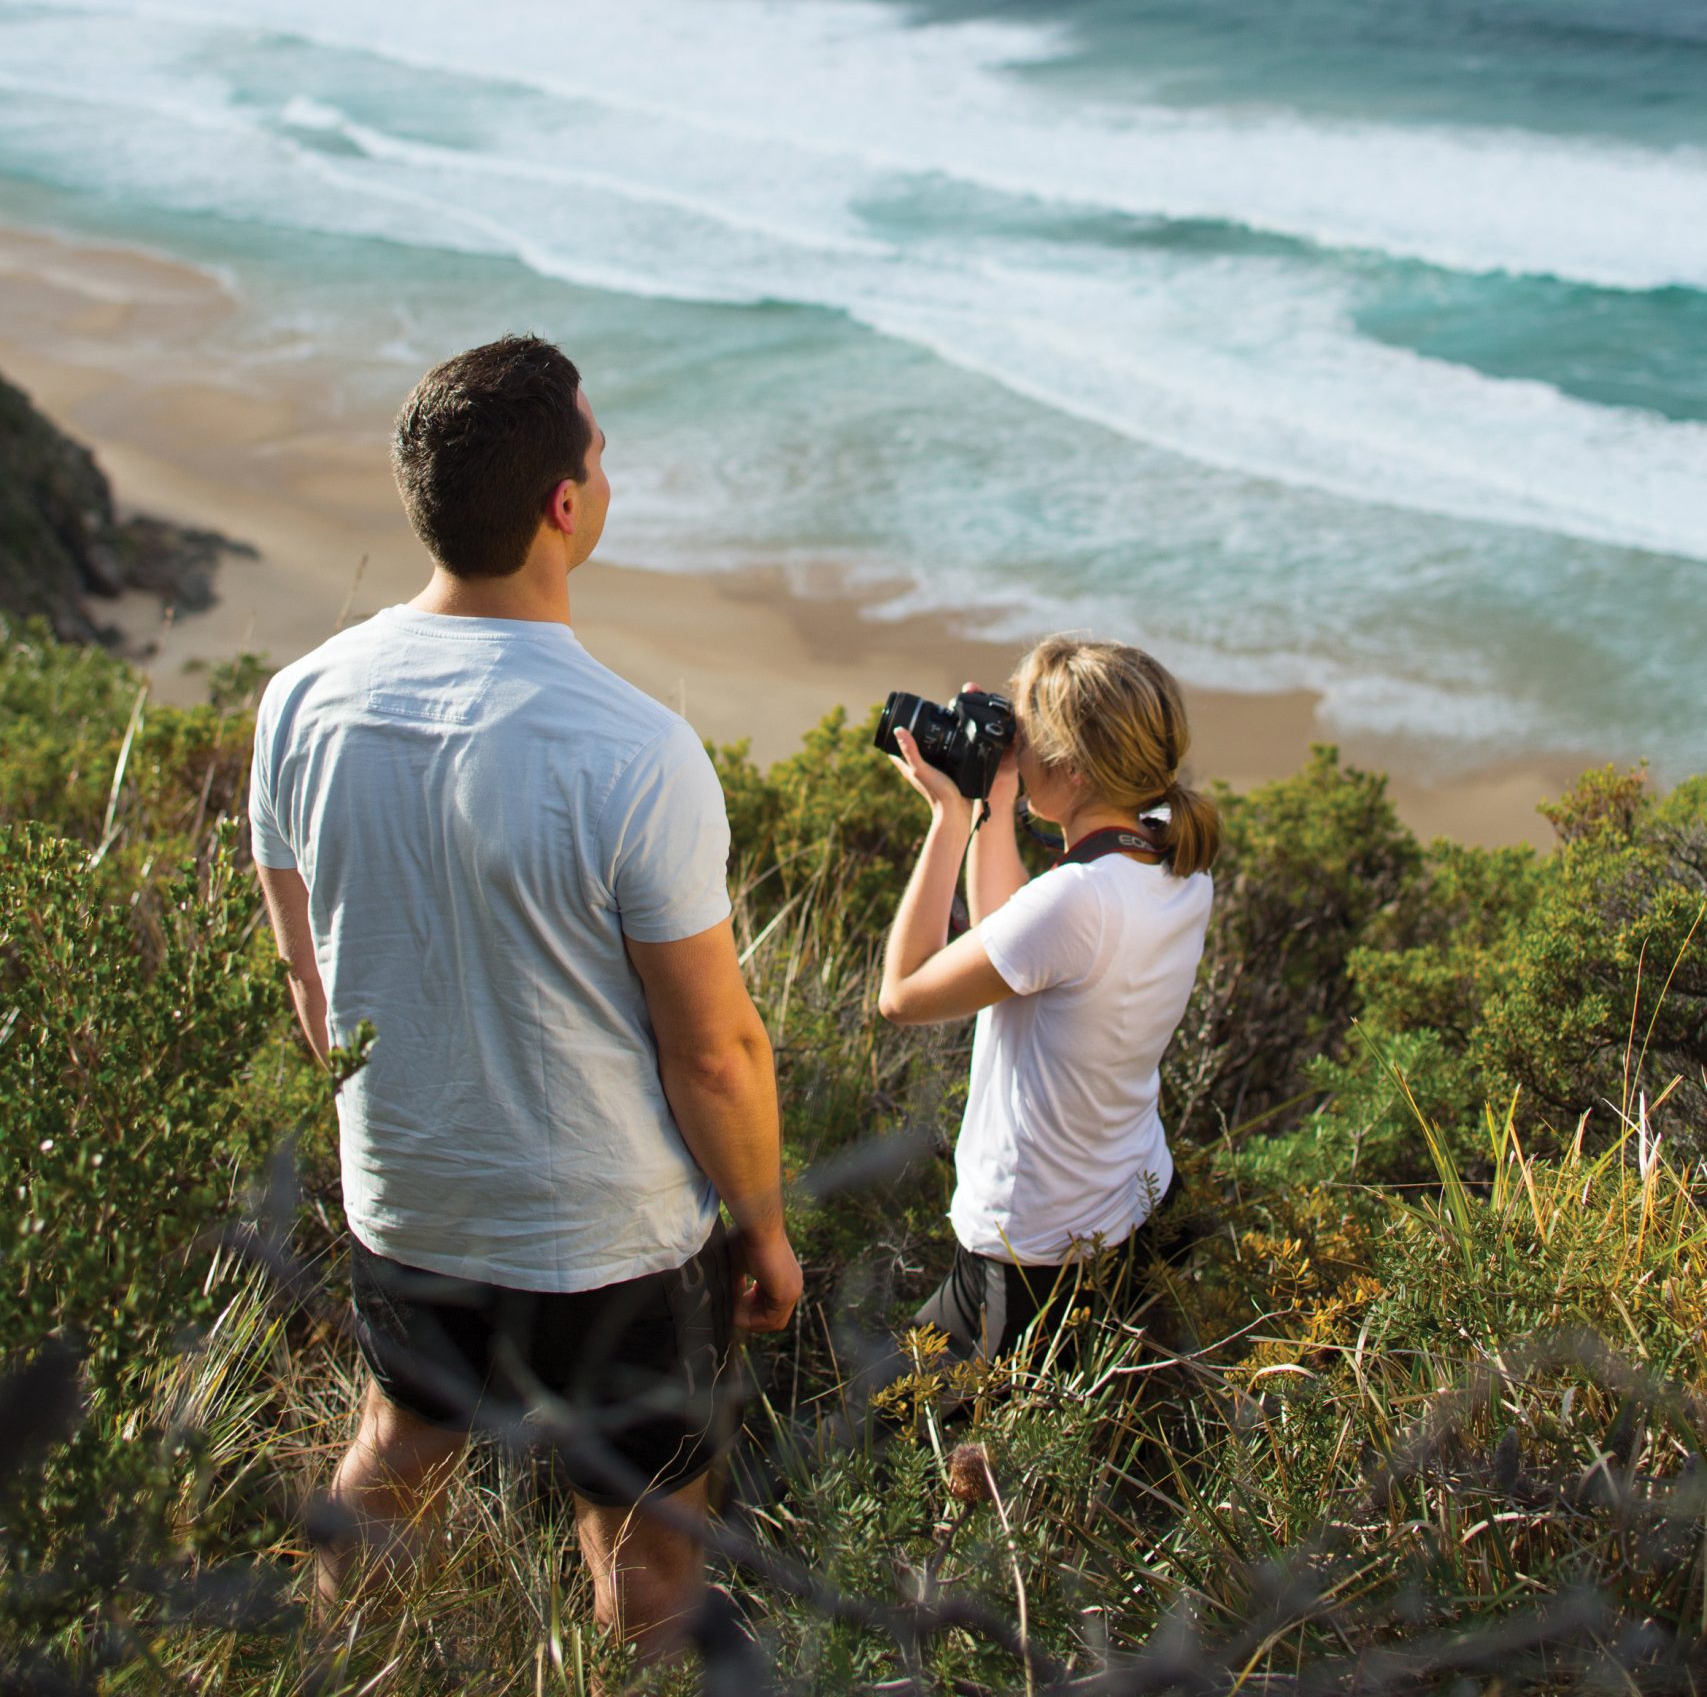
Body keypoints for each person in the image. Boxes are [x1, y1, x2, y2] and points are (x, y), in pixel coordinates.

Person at [250, 333, 801, 1662]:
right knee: (643, 1542)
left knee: (396, 1450)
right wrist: (764, 1229)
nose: (604, 468)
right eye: (597, 450)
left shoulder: (300, 702)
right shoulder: (630, 750)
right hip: (603, 1230)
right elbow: (715, 1054)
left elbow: (306, 978)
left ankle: (342, 1674)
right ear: (565, 505)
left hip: (408, 1191)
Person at [878, 635, 1217, 1362]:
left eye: (1022, 732)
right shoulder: (1169, 859)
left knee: (894, 1442)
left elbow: (902, 996)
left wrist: (947, 822)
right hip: (1127, 1202)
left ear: (1070, 767)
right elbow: (1016, 938)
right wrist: (994, 803)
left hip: (1031, 1252)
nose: (1012, 745)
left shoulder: (1076, 900)